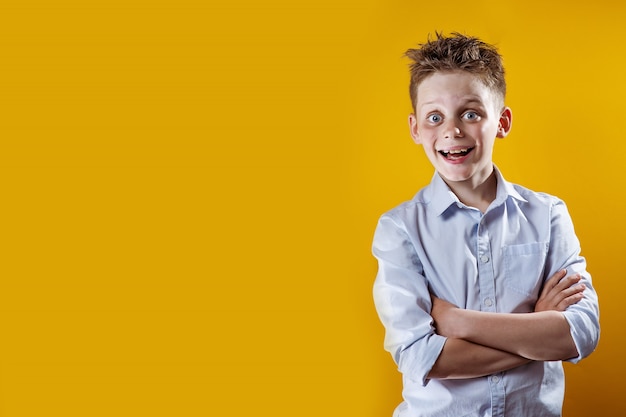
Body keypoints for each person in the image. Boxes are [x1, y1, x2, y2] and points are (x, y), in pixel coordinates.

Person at [372, 32, 600, 417]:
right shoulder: (400, 229)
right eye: (434, 117)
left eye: (471, 113)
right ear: (415, 129)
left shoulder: (548, 215)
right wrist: (533, 327)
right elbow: (422, 358)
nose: (452, 130)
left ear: (502, 122)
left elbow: (579, 334)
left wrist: (458, 322)